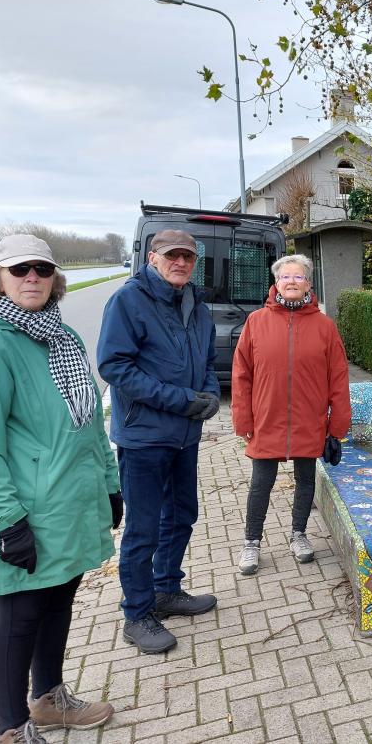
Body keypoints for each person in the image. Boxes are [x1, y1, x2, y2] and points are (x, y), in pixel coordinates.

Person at [0, 235, 118, 743]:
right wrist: (7, 520)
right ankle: (11, 729)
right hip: (29, 509)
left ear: (55, 279)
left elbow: (90, 425)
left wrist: (110, 484)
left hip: (73, 501)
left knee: (59, 599)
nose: (32, 277)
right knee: (20, 615)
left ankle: (48, 699)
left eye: (42, 269)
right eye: (20, 268)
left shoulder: (61, 336)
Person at [97, 229, 221, 655]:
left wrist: (210, 395)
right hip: (144, 438)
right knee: (143, 528)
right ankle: (137, 613)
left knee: (182, 515)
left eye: (188, 256)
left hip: (185, 436)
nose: (180, 262)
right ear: (152, 257)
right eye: (172, 255)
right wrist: (183, 400)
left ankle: (166, 589)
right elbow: (115, 367)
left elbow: (207, 362)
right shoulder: (128, 300)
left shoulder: (196, 305)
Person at [232, 254, 352, 575]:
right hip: (267, 418)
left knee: (305, 479)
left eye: (298, 277)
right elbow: (241, 374)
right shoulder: (256, 321)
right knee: (261, 483)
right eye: (285, 277)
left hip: (309, 419)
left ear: (308, 283)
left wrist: (338, 425)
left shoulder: (325, 327)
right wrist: (243, 418)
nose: (292, 282)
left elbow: (338, 378)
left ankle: (299, 534)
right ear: (276, 283)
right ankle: (251, 542)